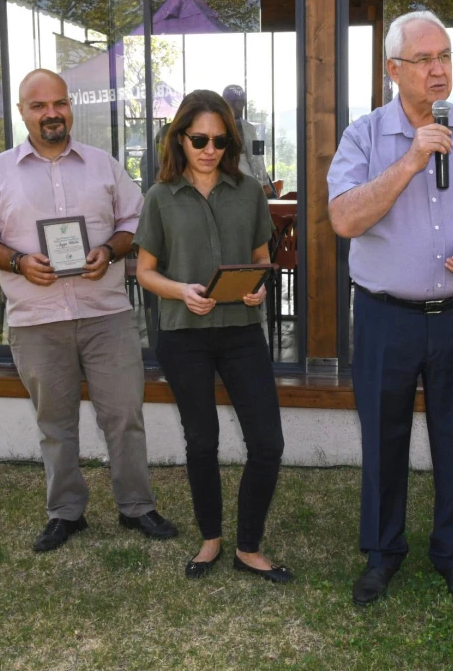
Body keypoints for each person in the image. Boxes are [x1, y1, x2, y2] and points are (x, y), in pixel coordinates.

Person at [327, 11, 453, 607]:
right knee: (383, 440)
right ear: (394, 70)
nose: (439, 70)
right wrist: (411, 159)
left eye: (445, 56)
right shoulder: (363, 136)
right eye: (424, 60)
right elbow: (344, 219)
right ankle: (383, 554)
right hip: (388, 316)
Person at [0, 69, 178, 553]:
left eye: (58, 103)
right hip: (36, 320)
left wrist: (110, 250)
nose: (51, 113)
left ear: (69, 107)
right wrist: (18, 262)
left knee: (124, 414)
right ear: (22, 112)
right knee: (54, 422)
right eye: (38, 106)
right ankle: (66, 512)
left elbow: (136, 221)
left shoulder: (104, 165)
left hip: (105, 314)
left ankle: (136, 506)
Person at [135, 89, 291, 584]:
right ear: (179, 138)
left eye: (220, 141)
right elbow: (144, 272)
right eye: (199, 138)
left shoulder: (247, 192)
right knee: (202, 441)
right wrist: (181, 290)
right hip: (184, 335)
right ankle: (211, 539)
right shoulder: (160, 197)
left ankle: (248, 545)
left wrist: (258, 287)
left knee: (267, 442)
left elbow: (263, 260)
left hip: (242, 332)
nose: (209, 149)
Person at [221, 84, 275, 195]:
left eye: (240, 103)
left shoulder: (251, 129)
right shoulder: (217, 127)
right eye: (234, 103)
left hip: (246, 187)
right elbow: (258, 159)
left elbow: (258, 158)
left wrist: (263, 182)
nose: (238, 107)